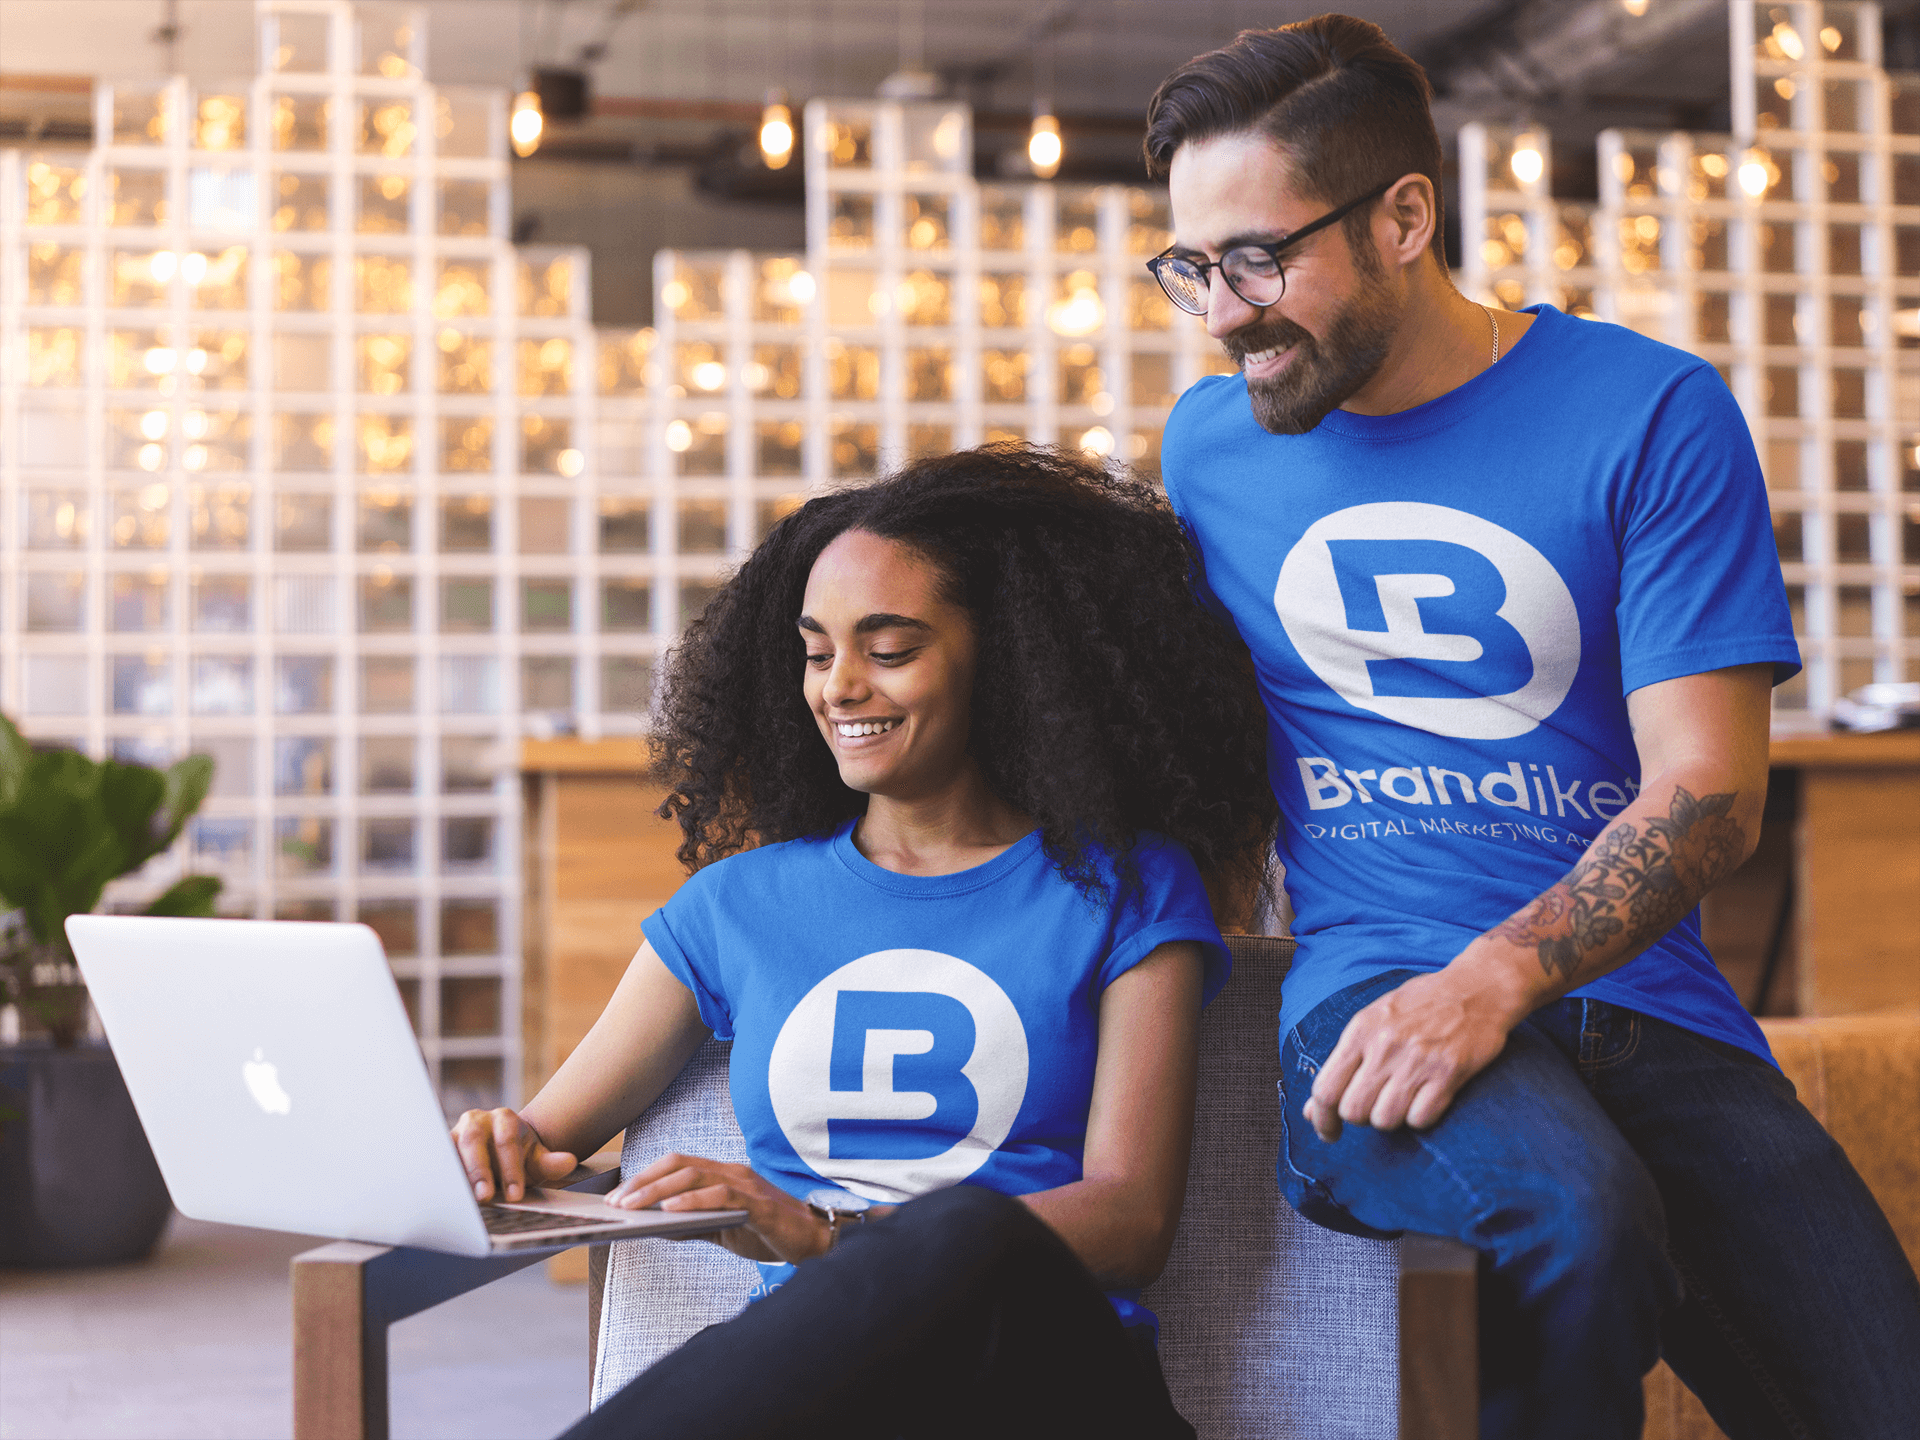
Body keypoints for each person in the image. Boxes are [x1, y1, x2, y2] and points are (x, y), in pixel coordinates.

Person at [1142, 14, 1920, 1440]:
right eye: (1190, 265)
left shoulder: (1649, 415)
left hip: (1642, 1010)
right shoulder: (1208, 447)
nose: (1222, 312)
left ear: (1405, 217)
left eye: (1258, 259)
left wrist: (1497, 978)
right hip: (1370, 994)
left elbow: (1711, 794)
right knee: (1577, 1218)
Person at [453, 445, 1275, 1440]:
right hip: (826, 1389)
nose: (841, 686)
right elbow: (548, 1138)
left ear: (1005, 664)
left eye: (888, 650)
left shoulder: (1125, 887)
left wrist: (832, 1234)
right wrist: (501, 1145)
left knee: (967, 1231)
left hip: (1051, 1377)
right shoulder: (734, 909)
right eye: (816, 651)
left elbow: (1132, 1219)